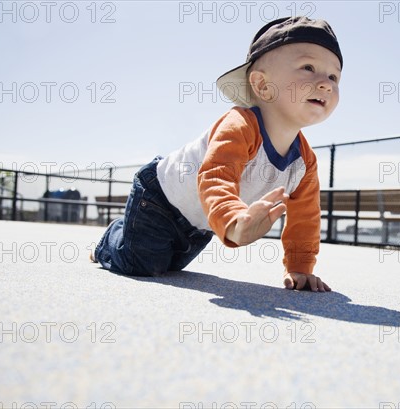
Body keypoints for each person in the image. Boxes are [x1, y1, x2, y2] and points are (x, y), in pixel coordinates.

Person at [92, 16, 342, 292]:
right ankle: (110, 241)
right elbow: (215, 176)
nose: (326, 83)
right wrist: (234, 221)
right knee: (142, 264)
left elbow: (305, 216)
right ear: (262, 85)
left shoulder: (304, 163)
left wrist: (300, 268)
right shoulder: (239, 125)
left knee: (170, 266)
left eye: (334, 76)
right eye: (308, 67)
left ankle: (132, 232)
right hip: (159, 197)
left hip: (201, 221)